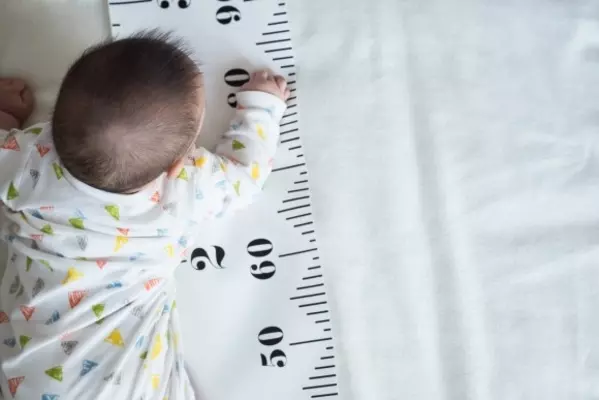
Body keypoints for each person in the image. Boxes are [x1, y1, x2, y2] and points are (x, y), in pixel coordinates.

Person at [0, 31, 289, 399]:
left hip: (36, 374)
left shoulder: (27, 159)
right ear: (177, 163)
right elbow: (244, 177)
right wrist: (261, 108)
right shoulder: (179, 191)